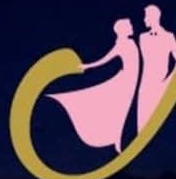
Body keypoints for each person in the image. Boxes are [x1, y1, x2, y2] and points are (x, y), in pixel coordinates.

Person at [48, 18, 139, 151]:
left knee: (124, 109)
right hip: (126, 80)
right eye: (129, 25)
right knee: (120, 109)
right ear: (122, 30)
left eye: (130, 24)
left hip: (132, 79)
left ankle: (119, 139)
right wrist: (88, 66)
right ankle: (117, 140)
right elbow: (105, 60)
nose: (131, 26)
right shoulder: (121, 44)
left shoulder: (131, 42)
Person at [136, 4, 176, 131]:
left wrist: (168, 80)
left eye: (146, 16)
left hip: (161, 85)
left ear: (154, 17)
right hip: (145, 85)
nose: (144, 19)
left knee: (159, 124)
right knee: (142, 124)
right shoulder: (142, 37)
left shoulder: (168, 37)